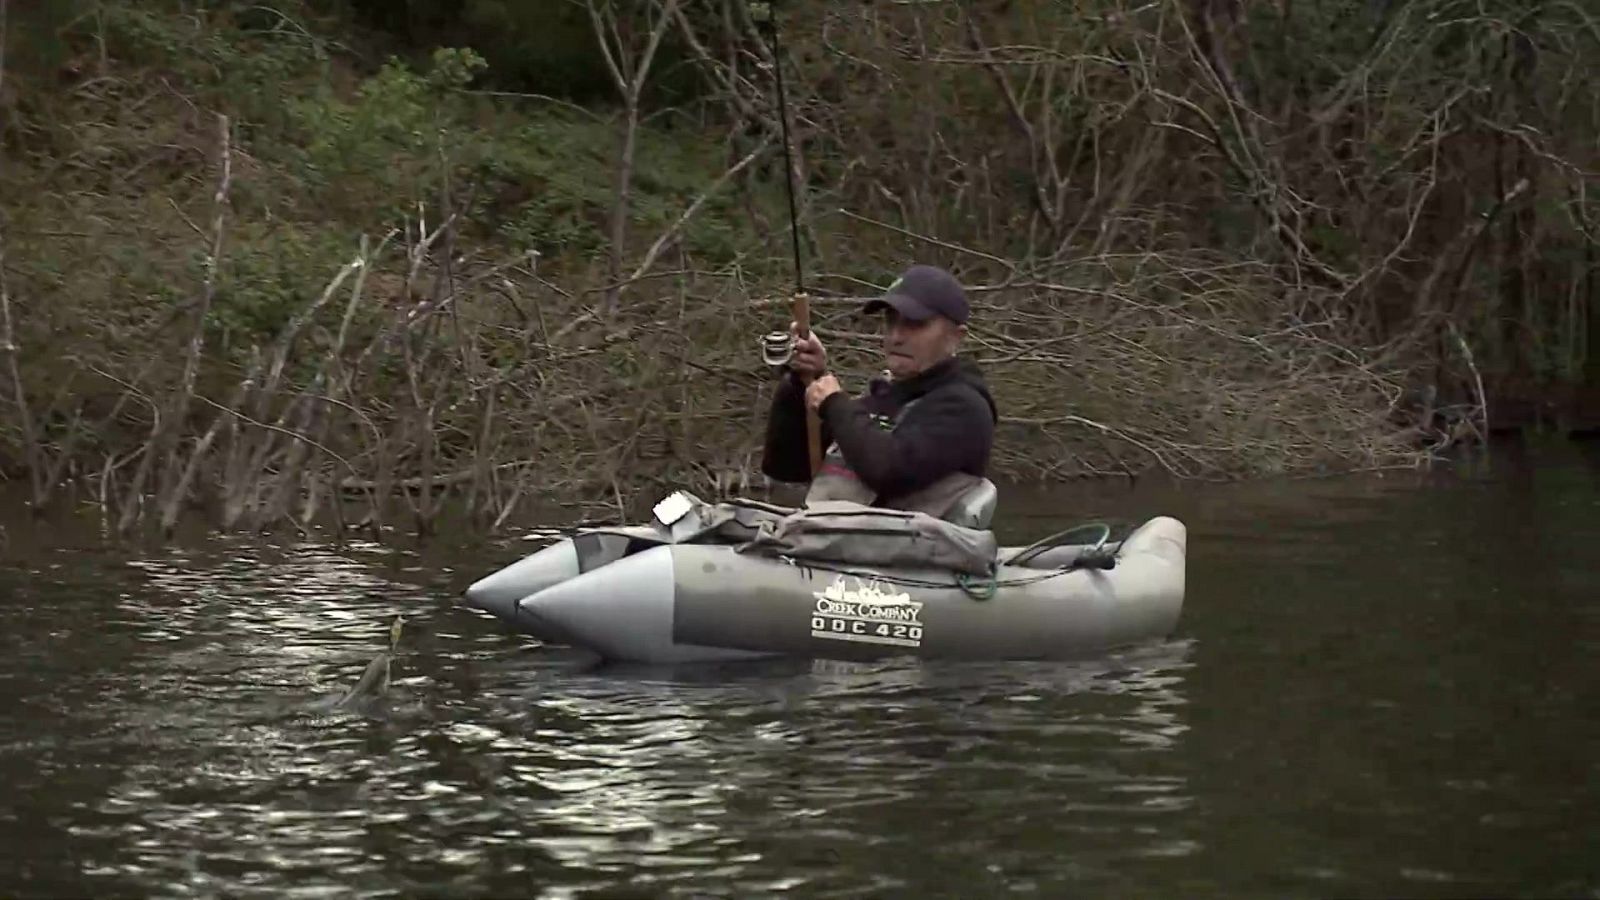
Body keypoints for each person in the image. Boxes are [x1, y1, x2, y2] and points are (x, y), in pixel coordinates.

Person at [761, 264, 998, 518]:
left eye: (914, 324)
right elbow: (785, 468)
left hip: (905, 554)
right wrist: (804, 381)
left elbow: (889, 470)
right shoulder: (882, 401)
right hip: (831, 544)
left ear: (956, 336)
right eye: (891, 321)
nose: (895, 337)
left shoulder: (964, 408)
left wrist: (835, 403)